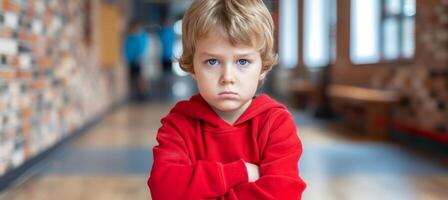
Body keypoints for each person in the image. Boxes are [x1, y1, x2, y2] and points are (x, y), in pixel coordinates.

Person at [147, 0, 306, 199]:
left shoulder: (276, 123)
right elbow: (164, 191)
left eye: (242, 61)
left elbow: (283, 194)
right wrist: (242, 173)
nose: (227, 77)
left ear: (263, 67)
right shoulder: (178, 125)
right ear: (192, 67)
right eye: (212, 62)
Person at [124, 20, 149, 101]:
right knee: (133, 77)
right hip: (131, 60)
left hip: (139, 60)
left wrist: (139, 57)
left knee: (140, 77)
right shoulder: (129, 38)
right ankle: (137, 93)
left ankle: (142, 94)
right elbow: (127, 49)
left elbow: (142, 48)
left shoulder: (141, 37)